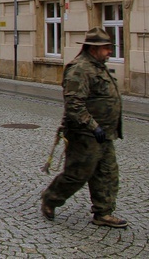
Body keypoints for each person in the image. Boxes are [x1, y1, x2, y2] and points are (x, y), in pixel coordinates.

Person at [41, 27, 127, 228]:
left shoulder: (98, 66)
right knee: (77, 175)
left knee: (107, 173)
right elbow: (74, 104)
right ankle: (50, 198)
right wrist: (92, 125)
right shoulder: (79, 68)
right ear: (93, 48)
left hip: (104, 134)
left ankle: (103, 212)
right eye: (106, 48)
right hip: (85, 134)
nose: (109, 52)